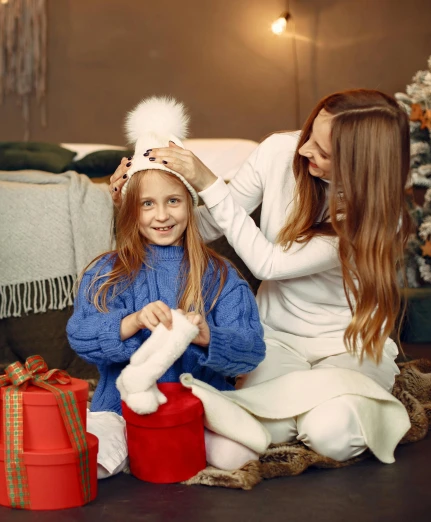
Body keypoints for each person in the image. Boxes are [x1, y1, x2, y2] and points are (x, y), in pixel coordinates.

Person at [109, 89, 412, 463]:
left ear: (359, 165)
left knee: (332, 436)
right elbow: (205, 226)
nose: (303, 152)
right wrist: (132, 206)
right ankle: (322, 399)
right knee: (267, 427)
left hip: (346, 345)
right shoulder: (278, 152)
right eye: (308, 137)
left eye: (323, 152)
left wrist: (207, 181)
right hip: (277, 339)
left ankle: (307, 401)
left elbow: (269, 264)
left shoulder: (377, 216)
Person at [67, 97, 266, 476]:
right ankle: (134, 447)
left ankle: (175, 446)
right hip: (121, 408)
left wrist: (208, 336)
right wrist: (134, 321)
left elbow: (252, 350)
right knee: (90, 459)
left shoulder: (220, 275)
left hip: (201, 406)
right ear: (130, 211)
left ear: (190, 207)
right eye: (147, 205)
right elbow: (81, 334)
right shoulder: (107, 272)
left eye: (173, 201)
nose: (161, 215)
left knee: (240, 456)